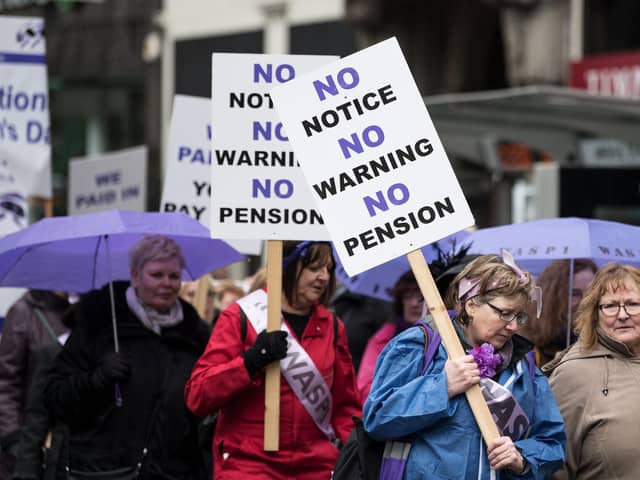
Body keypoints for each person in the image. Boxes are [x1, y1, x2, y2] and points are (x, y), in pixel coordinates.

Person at [363, 254, 566, 479]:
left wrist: (522, 458)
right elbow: (377, 418)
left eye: (520, 316)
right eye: (505, 313)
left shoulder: (523, 365)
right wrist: (443, 387)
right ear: (471, 305)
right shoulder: (419, 345)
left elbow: (552, 442)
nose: (513, 326)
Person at [185, 240, 361, 479]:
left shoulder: (332, 328)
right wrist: (250, 363)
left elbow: (345, 408)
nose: (323, 277)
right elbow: (198, 395)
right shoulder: (241, 316)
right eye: (313, 268)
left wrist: (359, 455)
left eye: (328, 269)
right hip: (249, 464)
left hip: (315, 468)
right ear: (286, 266)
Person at [44, 235, 210, 479]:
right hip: (103, 472)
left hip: (172, 472)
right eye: (156, 274)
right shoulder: (99, 322)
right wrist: (97, 378)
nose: (167, 283)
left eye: (174, 276)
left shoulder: (195, 334)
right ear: (135, 276)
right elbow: (54, 396)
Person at [546, 263, 640, 480]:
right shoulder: (574, 372)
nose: (623, 314)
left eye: (633, 304)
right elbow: (553, 466)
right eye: (610, 306)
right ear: (594, 313)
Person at [0, 290, 70, 479]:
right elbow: (5, 382)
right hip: (29, 439)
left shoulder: (88, 311)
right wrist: (13, 439)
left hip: (68, 445)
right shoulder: (24, 312)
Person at [356, 270, 423, 401]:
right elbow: (365, 389)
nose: (414, 304)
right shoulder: (384, 338)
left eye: (421, 298)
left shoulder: (445, 336)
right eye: (408, 297)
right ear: (400, 302)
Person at [524, 259, 597, 366]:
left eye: (592, 293)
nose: (585, 302)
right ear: (552, 298)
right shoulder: (526, 346)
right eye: (574, 294)